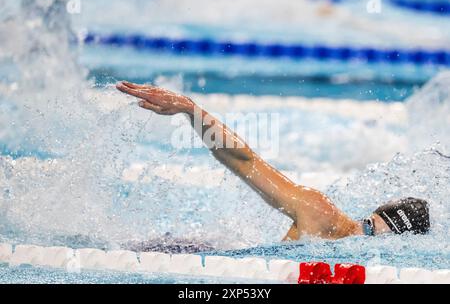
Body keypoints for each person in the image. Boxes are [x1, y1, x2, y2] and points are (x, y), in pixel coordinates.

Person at [116, 81, 430, 241]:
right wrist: (189, 109)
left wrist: (190, 109)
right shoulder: (324, 216)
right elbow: (243, 160)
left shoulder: (330, 221)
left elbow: (244, 161)